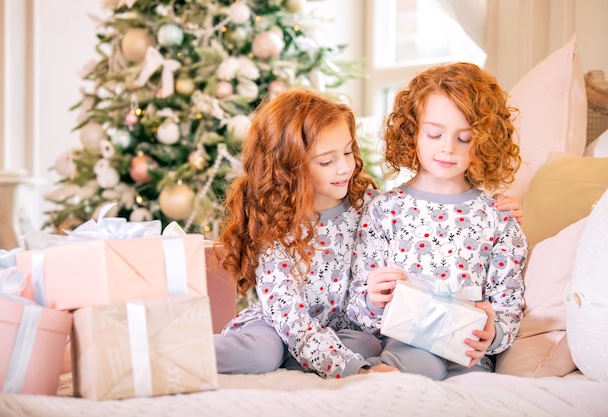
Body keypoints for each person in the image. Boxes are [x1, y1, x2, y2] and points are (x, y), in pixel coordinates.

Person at [347, 62, 528, 381]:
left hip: (468, 357)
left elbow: (509, 307)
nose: (447, 148)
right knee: (410, 359)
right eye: (434, 134)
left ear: (485, 141)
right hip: (404, 349)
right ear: (412, 131)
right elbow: (358, 310)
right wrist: (373, 299)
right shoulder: (384, 211)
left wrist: (494, 334)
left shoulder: (499, 219)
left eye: (465, 138)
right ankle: (378, 379)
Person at [213, 89, 397, 379]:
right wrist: (352, 370)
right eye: (326, 161)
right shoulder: (275, 222)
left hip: (343, 328)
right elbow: (289, 316)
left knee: (365, 343)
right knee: (263, 353)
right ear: (289, 168)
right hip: (278, 324)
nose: (345, 167)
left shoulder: (369, 206)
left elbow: (419, 212)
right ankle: (170, 352)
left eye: (348, 151)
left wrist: (495, 202)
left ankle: (306, 358)